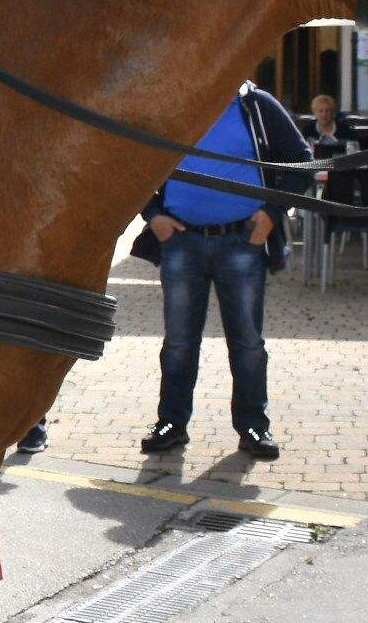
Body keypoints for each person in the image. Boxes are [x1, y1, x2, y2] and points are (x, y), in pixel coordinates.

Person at [133, 81, 311, 462]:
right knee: (179, 342)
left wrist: (271, 214)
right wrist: (153, 215)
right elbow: (134, 162)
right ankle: (171, 423)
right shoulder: (172, 105)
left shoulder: (256, 106)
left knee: (247, 343)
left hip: (241, 243)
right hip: (181, 242)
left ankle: (253, 427)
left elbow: (301, 161)